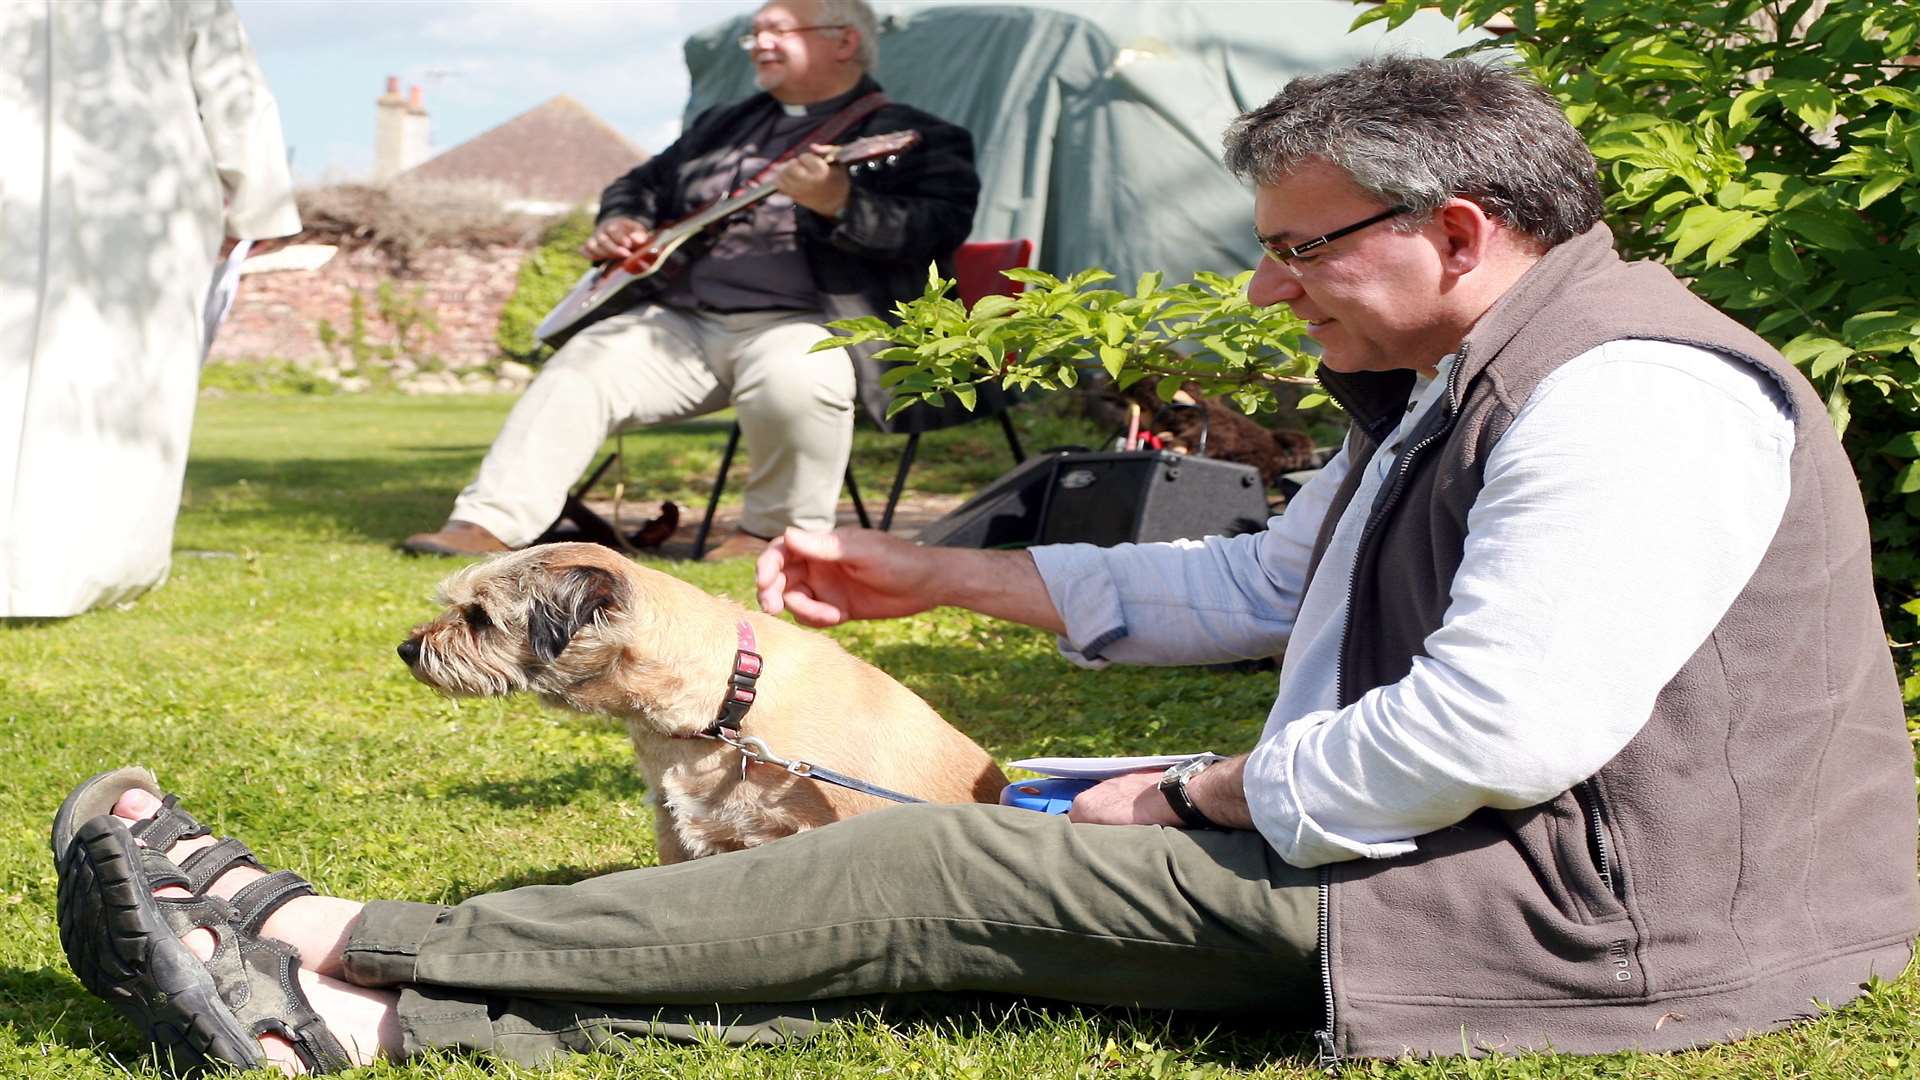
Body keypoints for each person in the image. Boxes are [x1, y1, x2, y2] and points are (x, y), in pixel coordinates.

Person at [50, 58, 1917, 1074]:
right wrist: (947, 582)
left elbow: (1497, 728)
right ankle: (388, 1019)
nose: (1266, 285)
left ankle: (332, 950)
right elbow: (1276, 596)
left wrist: (1188, 791)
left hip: (1591, 926)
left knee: (951, 857)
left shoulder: (1632, 406)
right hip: (1473, 852)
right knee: (991, 827)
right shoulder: (1461, 377)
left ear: (1451, 231)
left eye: (1298, 247)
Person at [402, 0, 980, 563]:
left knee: (796, 371)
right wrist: (622, 221)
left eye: (778, 30)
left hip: (809, 322)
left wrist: (841, 203)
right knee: (582, 366)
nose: (760, 44)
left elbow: (934, 232)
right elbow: (639, 183)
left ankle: (771, 539)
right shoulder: (723, 126)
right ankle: (488, 523)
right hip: (682, 324)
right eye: (754, 34)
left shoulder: (920, 137)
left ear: (843, 40)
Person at [1, 0, 300, 617]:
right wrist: (260, 206)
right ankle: (97, 568)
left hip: (66, 188)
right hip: (142, 195)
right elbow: (231, 83)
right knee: (127, 376)